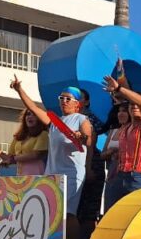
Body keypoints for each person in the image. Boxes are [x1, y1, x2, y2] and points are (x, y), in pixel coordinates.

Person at [9, 76, 92, 216]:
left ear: (77, 103)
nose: (64, 101)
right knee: (50, 213)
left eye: (68, 99)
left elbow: (88, 139)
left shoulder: (81, 119)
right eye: (62, 98)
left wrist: (81, 136)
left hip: (71, 175)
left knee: (67, 214)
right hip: (52, 174)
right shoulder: (54, 121)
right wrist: (19, 90)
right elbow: (33, 108)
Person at [102, 74, 141, 208]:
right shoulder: (124, 128)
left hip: (139, 177)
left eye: (137, 105)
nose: (135, 106)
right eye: (131, 104)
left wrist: (118, 88)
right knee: (111, 216)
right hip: (118, 176)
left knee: (135, 217)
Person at [75, 87, 107, 238]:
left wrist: (88, 168)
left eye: (78, 97)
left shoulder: (89, 119)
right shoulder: (67, 119)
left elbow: (90, 144)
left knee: (88, 211)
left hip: (91, 162)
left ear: (86, 102)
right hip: (74, 165)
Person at [0, 108, 48, 175]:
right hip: (20, 175)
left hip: (36, 175)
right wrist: (0, 153)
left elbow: (36, 155)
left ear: (40, 118)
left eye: (34, 115)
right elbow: (10, 158)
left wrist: (13, 159)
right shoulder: (18, 137)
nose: (30, 116)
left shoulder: (43, 134)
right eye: (28, 114)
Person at [101, 103, 131, 207]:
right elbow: (102, 154)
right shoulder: (113, 131)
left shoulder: (133, 131)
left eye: (124, 111)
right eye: (119, 111)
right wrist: (109, 152)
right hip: (112, 173)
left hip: (127, 174)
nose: (120, 114)